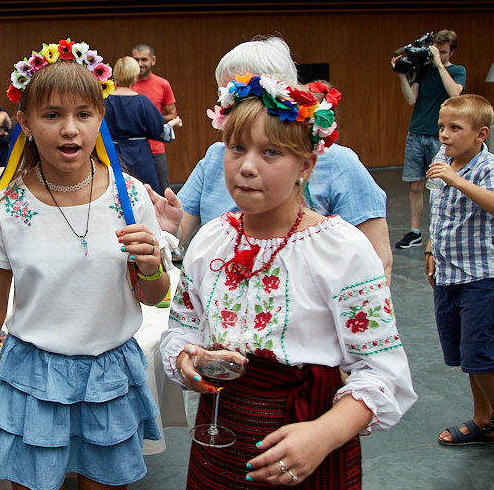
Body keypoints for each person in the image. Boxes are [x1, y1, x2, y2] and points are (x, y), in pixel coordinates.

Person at [0, 40, 171, 490]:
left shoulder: (131, 197)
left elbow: (158, 297)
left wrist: (152, 266)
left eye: (84, 114)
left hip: (110, 375)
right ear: (23, 122)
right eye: (52, 115)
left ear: (100, 118)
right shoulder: (6, 210)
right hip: (34, 380)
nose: (70, 130)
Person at [160, 74, 416, 488]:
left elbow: (383, 371)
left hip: (307, 436)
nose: (246, 166)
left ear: (306, 166)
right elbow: (181, 331)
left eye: (271, 152)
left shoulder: (340, 250)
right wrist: (188, 360)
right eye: (237, 148)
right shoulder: (211, 241)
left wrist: (323, 435)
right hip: (221, 432)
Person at [171, 37, 393, 282]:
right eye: (224, 97)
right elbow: (178, 231)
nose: (230, 108)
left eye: (242, 96)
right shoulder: (216, 157)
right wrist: (165, 228)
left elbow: (377, 263)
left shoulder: (340, 164)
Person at [422, 94, 494, 446]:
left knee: (481, 354)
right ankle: (485, 420)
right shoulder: (442, 160)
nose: (444, 135)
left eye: (455, 128)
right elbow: (440, 211)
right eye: (441, 127)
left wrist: (458, 180)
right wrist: (431, 248)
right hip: (448, 276)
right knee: (467, 356)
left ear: (481, 134)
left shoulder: (486, 168)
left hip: (482, 277)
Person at [392, 29, 466, 249]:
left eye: (443, 52)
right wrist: (401, 75)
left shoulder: (457, 70)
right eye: (436, 50)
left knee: (442, 186)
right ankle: (415, 232)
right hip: (416, 133)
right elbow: (410, 98)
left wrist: (439, 65)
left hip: (441, 137)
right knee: (415, 185)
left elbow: (455, 94)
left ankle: (440, 232)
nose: (438, 55)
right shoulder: (423, 71)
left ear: (450, 52)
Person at [105, 55, 168, 190]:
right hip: (140, 155)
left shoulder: (105, 101)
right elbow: (158, 130)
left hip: (112, 155)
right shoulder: (142, 102)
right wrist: (172, 125)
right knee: (146, 193)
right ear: (135, 75)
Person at [131, 43, 178, 193]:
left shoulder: (163, 84)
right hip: (130, 150)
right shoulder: (122, 84)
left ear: (153, 60)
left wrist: (151, 120)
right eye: (136, 59)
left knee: (162, 192)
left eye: (144, 59)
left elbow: (172, 114)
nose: (140, 64)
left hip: (155, 148)